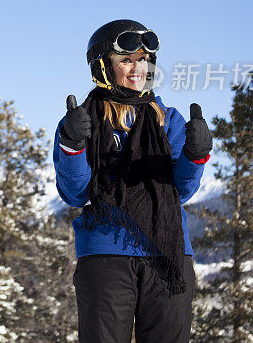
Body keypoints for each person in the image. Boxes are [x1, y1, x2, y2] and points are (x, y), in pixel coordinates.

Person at [53, 19, 212, 343]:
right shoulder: (80, 121)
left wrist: (195, 156)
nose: (138, 68)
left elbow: (179, 191)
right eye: (127, 59)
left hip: (168, 255)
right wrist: (73, 145)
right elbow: (75, 193)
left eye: (144, 60)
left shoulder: (170, 119)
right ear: (103, 67)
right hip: (105, 256)